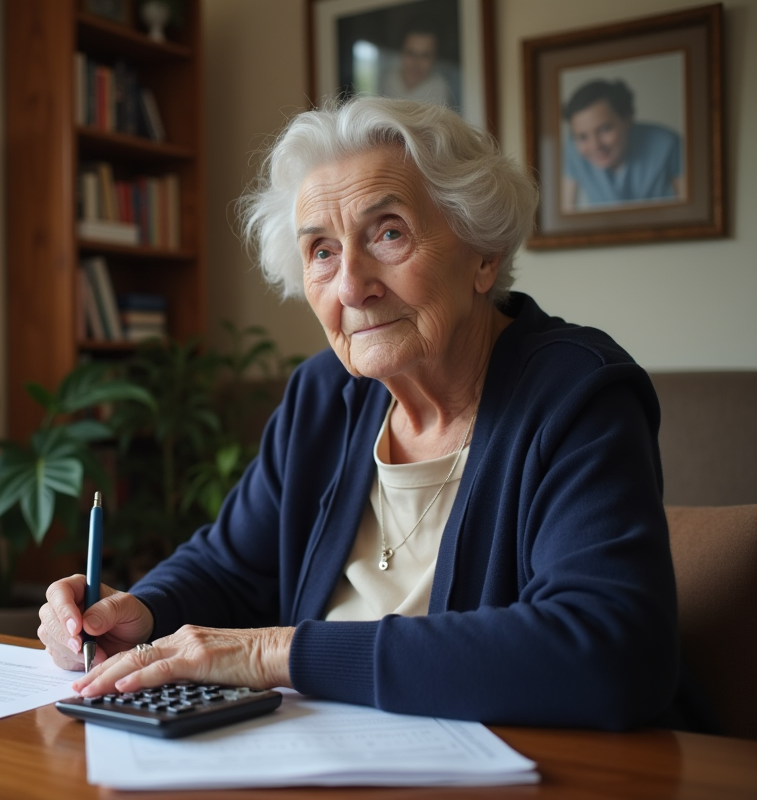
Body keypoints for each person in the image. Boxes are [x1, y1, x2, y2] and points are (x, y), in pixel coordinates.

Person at [38, 97, 686, 730]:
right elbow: (229, 565)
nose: (351, 285)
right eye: (321, 250)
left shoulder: (576, 392)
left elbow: (611, 650)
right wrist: (135, 615)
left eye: (389, 233)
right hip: (312, 752)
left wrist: (272, 653)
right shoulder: (326, 396)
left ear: (483, 255)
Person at [561, 79, 685, 210]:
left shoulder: (668, 143)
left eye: (604, 129)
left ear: (627, 118)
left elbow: (689, 210)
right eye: (582, 136)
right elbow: (566, 212)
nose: (595, 145)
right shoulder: (571, 150)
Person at [380, 28, 450, 107]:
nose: (415, 63)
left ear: (435, 58)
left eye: (424, 55)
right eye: (410, 53)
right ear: (401, 53)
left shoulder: (440, 89)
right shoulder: (389, 80)